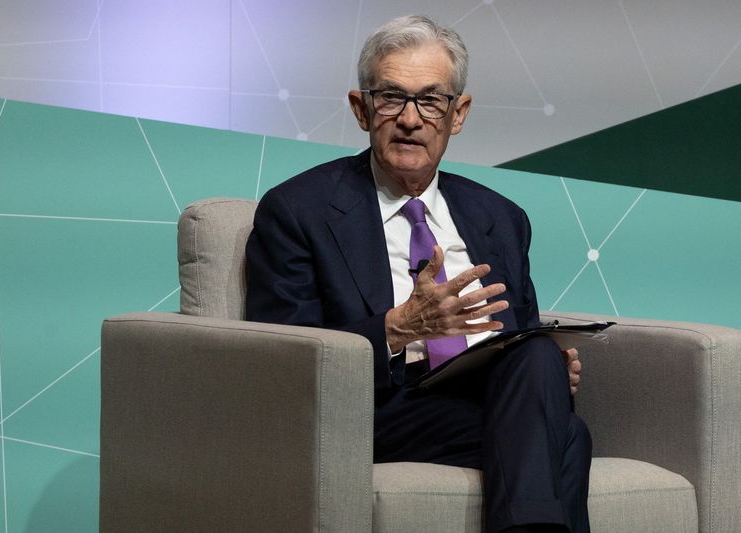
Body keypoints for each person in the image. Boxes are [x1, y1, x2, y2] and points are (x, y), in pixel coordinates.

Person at [245, 14, 590, 533]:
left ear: (458, 114)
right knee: (566, 437)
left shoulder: (501, 217)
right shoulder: (297, 210)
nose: (410, 118)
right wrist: (398, 327)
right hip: (373, 409)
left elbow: (519, 335)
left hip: (472, 397)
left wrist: (548, 378)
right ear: (361, 110)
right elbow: (282, 360)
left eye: (431, 100)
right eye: (391, 97)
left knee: (540, 358)